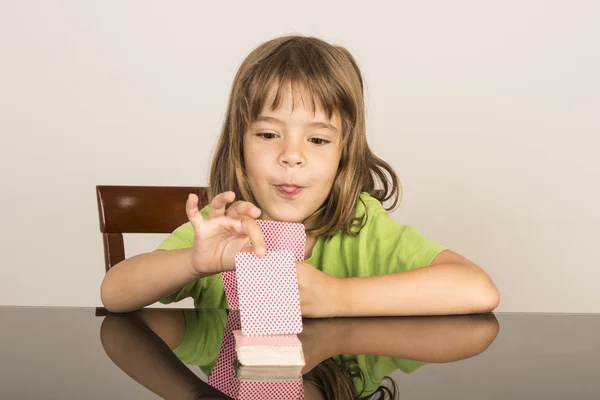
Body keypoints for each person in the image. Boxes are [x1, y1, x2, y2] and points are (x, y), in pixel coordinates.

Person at [100, 34, 500, 317]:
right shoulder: (223, 229)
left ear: (345, 154)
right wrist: (196, 262)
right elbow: (114, 294)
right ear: (238, 145)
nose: (292, 156)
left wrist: (336, 297)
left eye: (318, 140)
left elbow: (477, 288)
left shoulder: (362, 224)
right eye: (269, 134)